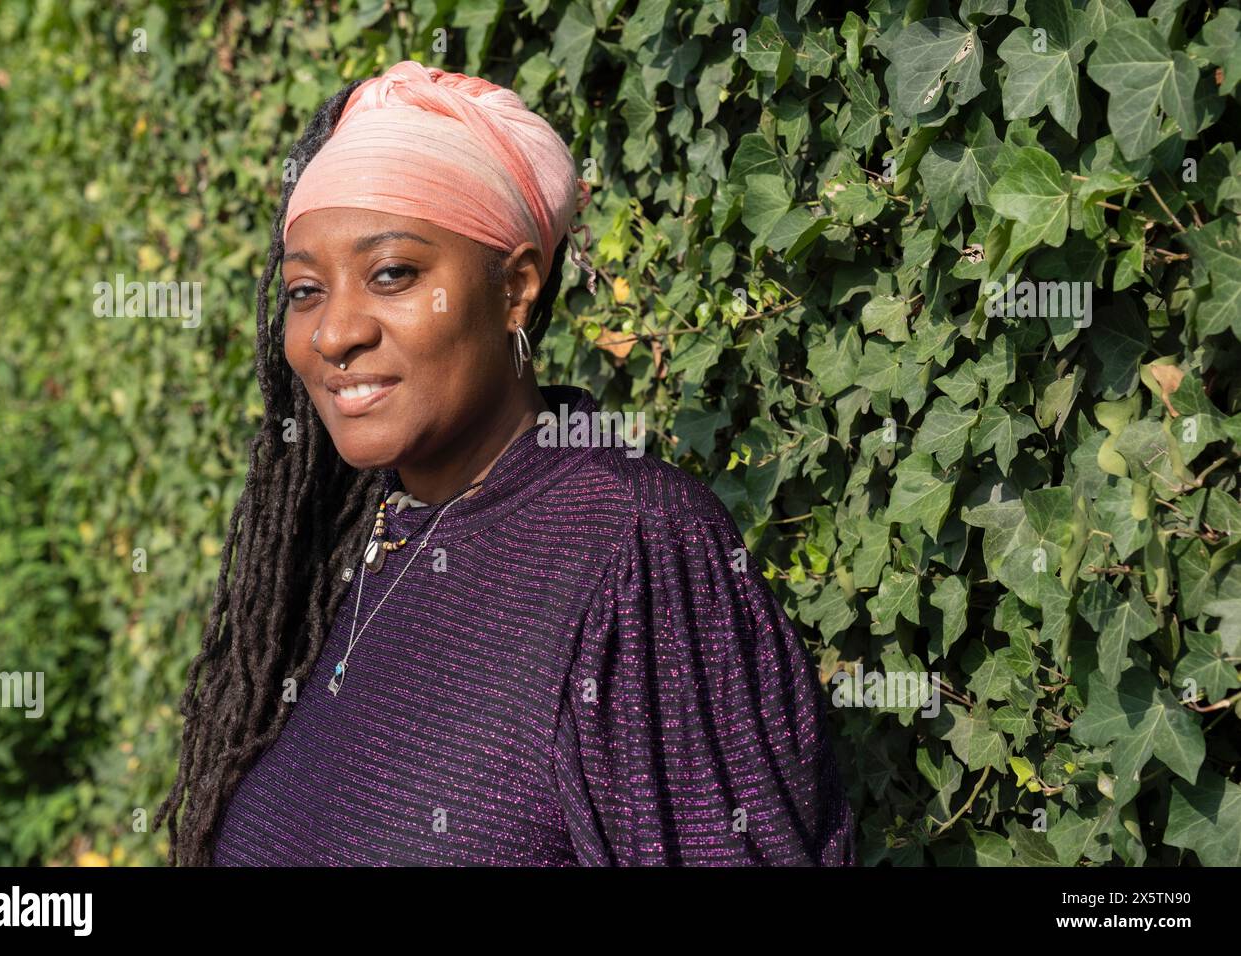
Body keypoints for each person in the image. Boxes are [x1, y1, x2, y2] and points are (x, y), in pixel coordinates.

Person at [154, 59, 854, 866]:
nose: (334, 332)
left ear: (516, 287)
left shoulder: (638, 553)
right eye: (306, 290)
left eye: (391, 275)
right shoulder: (342, 548)